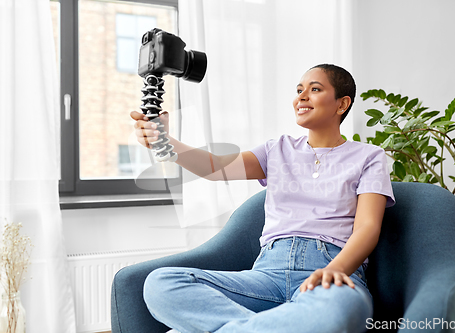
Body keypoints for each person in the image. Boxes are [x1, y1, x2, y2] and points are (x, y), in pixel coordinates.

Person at [131, 64, 395, 333]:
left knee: (343, 310)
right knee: (162, 283)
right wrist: (164, 141)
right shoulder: (277, 149)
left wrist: (336, 269)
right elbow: (214, 167)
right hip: (266, 276)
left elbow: (367, 227)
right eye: (299, 90)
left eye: (314, 89)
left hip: (331, 274)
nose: (301, 96)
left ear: (342, 104)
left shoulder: (369, 157)